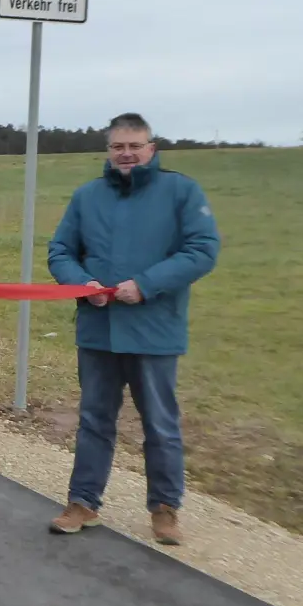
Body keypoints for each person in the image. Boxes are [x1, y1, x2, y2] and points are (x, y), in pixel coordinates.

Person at [47, 112, 220, 545]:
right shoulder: (87, 197)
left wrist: (146, 286)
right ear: (108, 150)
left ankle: (164, 508)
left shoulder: (181, 191)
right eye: (118, 146)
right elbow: (61, 250)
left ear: (151, 149)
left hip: (154, 330)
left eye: (135, 146)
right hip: (99, 329)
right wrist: (80, 284)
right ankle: (83, 502)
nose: (126, 154)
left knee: (160, 423)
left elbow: (202, 250)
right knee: (94, 420)